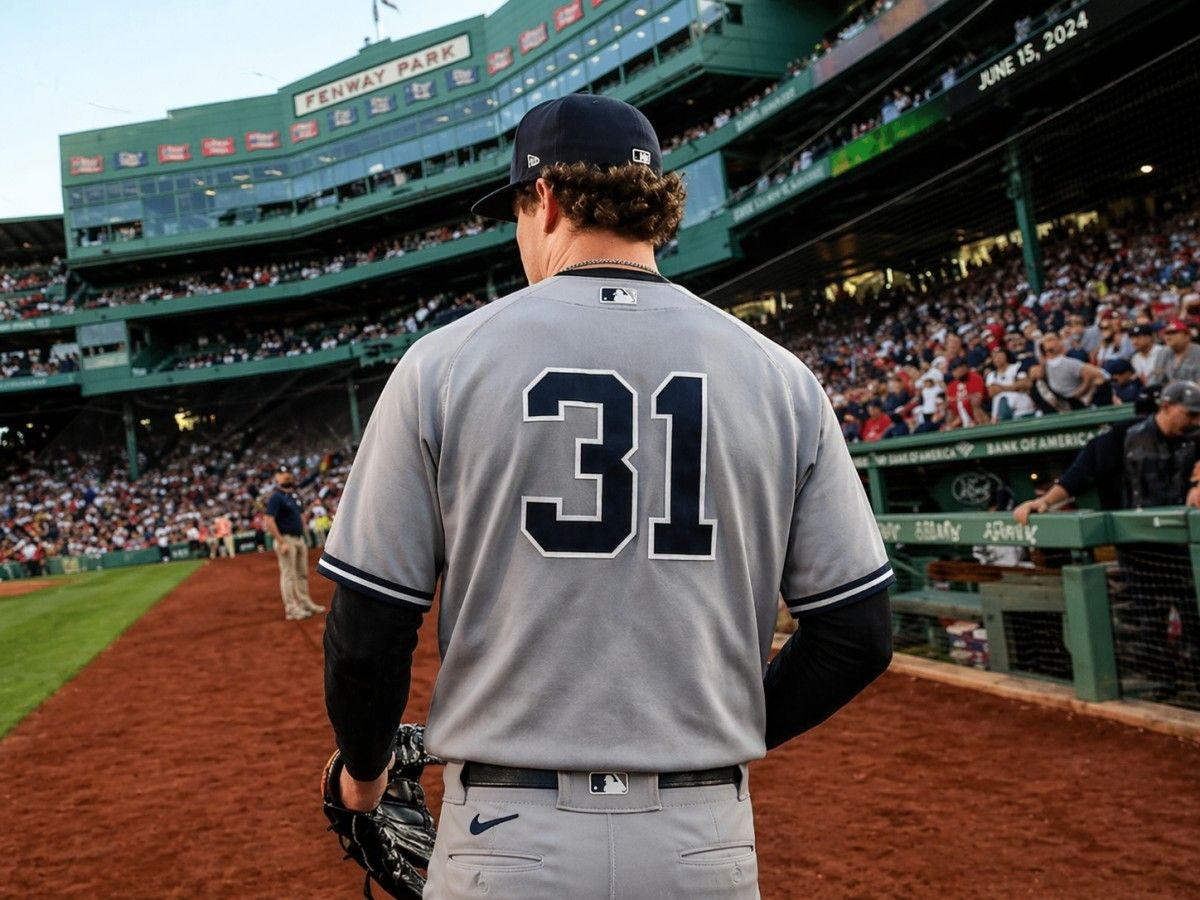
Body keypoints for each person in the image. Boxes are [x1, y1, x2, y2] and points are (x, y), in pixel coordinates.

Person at [320, 93, 893, 899]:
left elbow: (368, 633)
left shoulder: (443, 363)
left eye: (519, 210)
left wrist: (367, 779)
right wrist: (719, 729)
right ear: (650, 209)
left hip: (508, 837)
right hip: (704, 841)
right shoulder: (781, 378)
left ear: (545, 199)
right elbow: (857, 635)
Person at [1013, 380, 1200, 700]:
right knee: (1150, 622)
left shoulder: (1195, 438)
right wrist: (1045, 502)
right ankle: (1165, 689)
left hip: (1186, 550)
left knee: (1195, 619)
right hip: (1140, 551)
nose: (1196, 421)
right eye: (1190, 414)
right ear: (1166, 407)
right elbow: (1082, 473)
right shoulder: (1124, 435)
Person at [264, 466, 324, 621]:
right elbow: (269, 520)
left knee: (302, 574)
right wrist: (280, 541)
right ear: (276, 478)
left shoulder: (293, 496)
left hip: (298, 539)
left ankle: (305, 603)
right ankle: (291, 609)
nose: (287, 476)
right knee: (289, 575)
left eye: (288, 473)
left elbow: (300, 516)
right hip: (286, 539)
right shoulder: (276, 497)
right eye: (283, 474)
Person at [1162, 318, 1200, 384]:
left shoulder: (1197, 352)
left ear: (1187, 336)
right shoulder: (1164, 353)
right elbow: (1158, 379)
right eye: (1167, 333)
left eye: (1173, 333)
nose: (1168, 337)